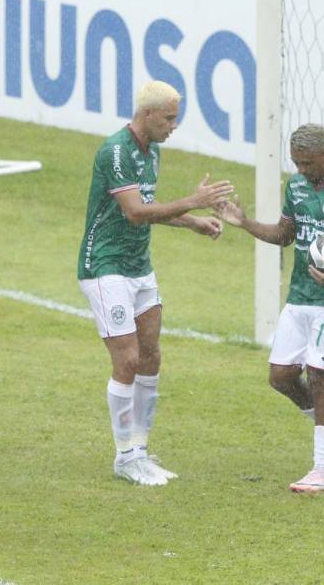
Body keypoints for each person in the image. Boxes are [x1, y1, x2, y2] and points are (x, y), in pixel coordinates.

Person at [78, 80, 234, 486]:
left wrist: (193, 223)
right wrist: (193, 202)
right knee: (127, 359)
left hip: (139, 267)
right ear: (147, 115)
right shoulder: (116, 151)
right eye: (168, 118)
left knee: (151, 356)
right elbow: (133, 212)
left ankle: (141, 450)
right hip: (105, 266)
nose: (173, 126)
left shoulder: (153, 153)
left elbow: (151, 208)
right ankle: (124, 457)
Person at [216, 123, 324, 493]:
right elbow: (284, 235)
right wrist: (244, 222)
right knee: (280, 376)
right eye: (297, 163)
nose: (302, 170)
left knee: (320, 375)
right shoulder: (296, 186)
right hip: (300, 295)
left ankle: (322, 471)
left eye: (307, 163)